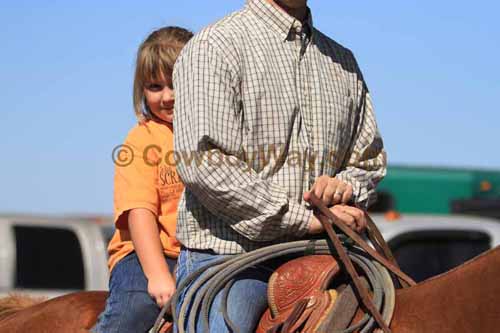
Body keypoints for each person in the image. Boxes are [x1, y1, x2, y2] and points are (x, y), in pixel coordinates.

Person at [172, 0, 386, 332]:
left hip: (331, 253)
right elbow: (205, 164)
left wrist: (345, 187)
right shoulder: (215, 46)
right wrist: (305, 218)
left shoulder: (343, 62)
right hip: (233, 258)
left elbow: (368, 161)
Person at [92, 26, 193, 333]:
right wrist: (158, 274)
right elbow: (140, 214)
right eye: (154, 86)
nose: (167, 97)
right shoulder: (140, 142)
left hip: (198, 254)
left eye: (176, 84)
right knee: (137, 305)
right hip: (146, 254)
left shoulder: (214, 136)